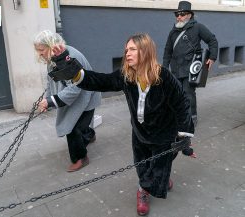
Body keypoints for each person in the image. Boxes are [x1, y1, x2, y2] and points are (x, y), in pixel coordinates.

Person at [49, 33, 194, 216]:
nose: (127, 53)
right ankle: (147, 187)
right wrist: (68, 65)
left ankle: (153, 183)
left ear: (146, 51)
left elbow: (182, 104)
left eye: (132, 49)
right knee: (142, 165)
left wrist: (185, 136)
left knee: (159, 165)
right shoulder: (126, 76)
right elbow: (100, 81)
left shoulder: (163, 76)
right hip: (140, 133)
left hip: (164, 133)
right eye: (126, 50)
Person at [33, 30, 101, 172]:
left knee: (73, 128)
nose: (39, 54)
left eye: (41, 50)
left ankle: (80, 158)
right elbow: (51, 82)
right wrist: (48, 100)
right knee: (79, 126)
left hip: (87, 96)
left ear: (51, 46)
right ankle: (90, 134)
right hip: (78, 97)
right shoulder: (53, 57)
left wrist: (51, 101)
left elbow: (75, 88)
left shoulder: (70, 57)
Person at [163, 1, 218, 126]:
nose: (179, 17)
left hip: (191, 68)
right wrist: (165, 68)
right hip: (176, 69)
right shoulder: (173, 31)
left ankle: (192, 117)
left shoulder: (198, 27)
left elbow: (212, 40)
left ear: (189, 15)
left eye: (182, 14)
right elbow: (167, 51)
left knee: (189, 94)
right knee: (177, 95)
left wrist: (212, 57)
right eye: (177, 14)